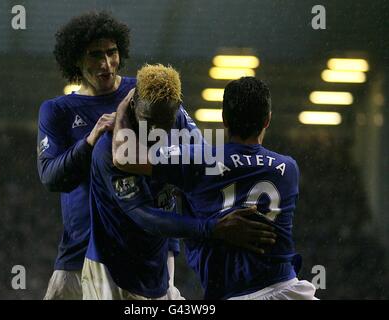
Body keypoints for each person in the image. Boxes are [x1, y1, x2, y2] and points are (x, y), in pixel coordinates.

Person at [82, 65, 277, 300]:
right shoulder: (107, 149)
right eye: (148, 120)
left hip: (157, 265)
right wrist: (212, 228)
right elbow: (144, 216)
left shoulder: (177, 118)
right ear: (133, 106)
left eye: (165, 121)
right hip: (113, 272)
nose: (156, 130)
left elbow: (207, 169)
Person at [113, 76, 318, 300]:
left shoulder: (201, 161)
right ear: (267, 120)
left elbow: (124, 157)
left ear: (224, 120)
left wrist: (122, 110)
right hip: (289, 289)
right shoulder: (289, 168)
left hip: (234, 293)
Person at [37, 11, 138, 300]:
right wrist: (91, 139)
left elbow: (181, 153)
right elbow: (51, 177)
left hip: (134, 255)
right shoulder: (57, 110)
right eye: (95, 55)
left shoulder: (141, 93)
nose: (107, 64)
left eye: (112, 52)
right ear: (76, 61)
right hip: (77, 256)